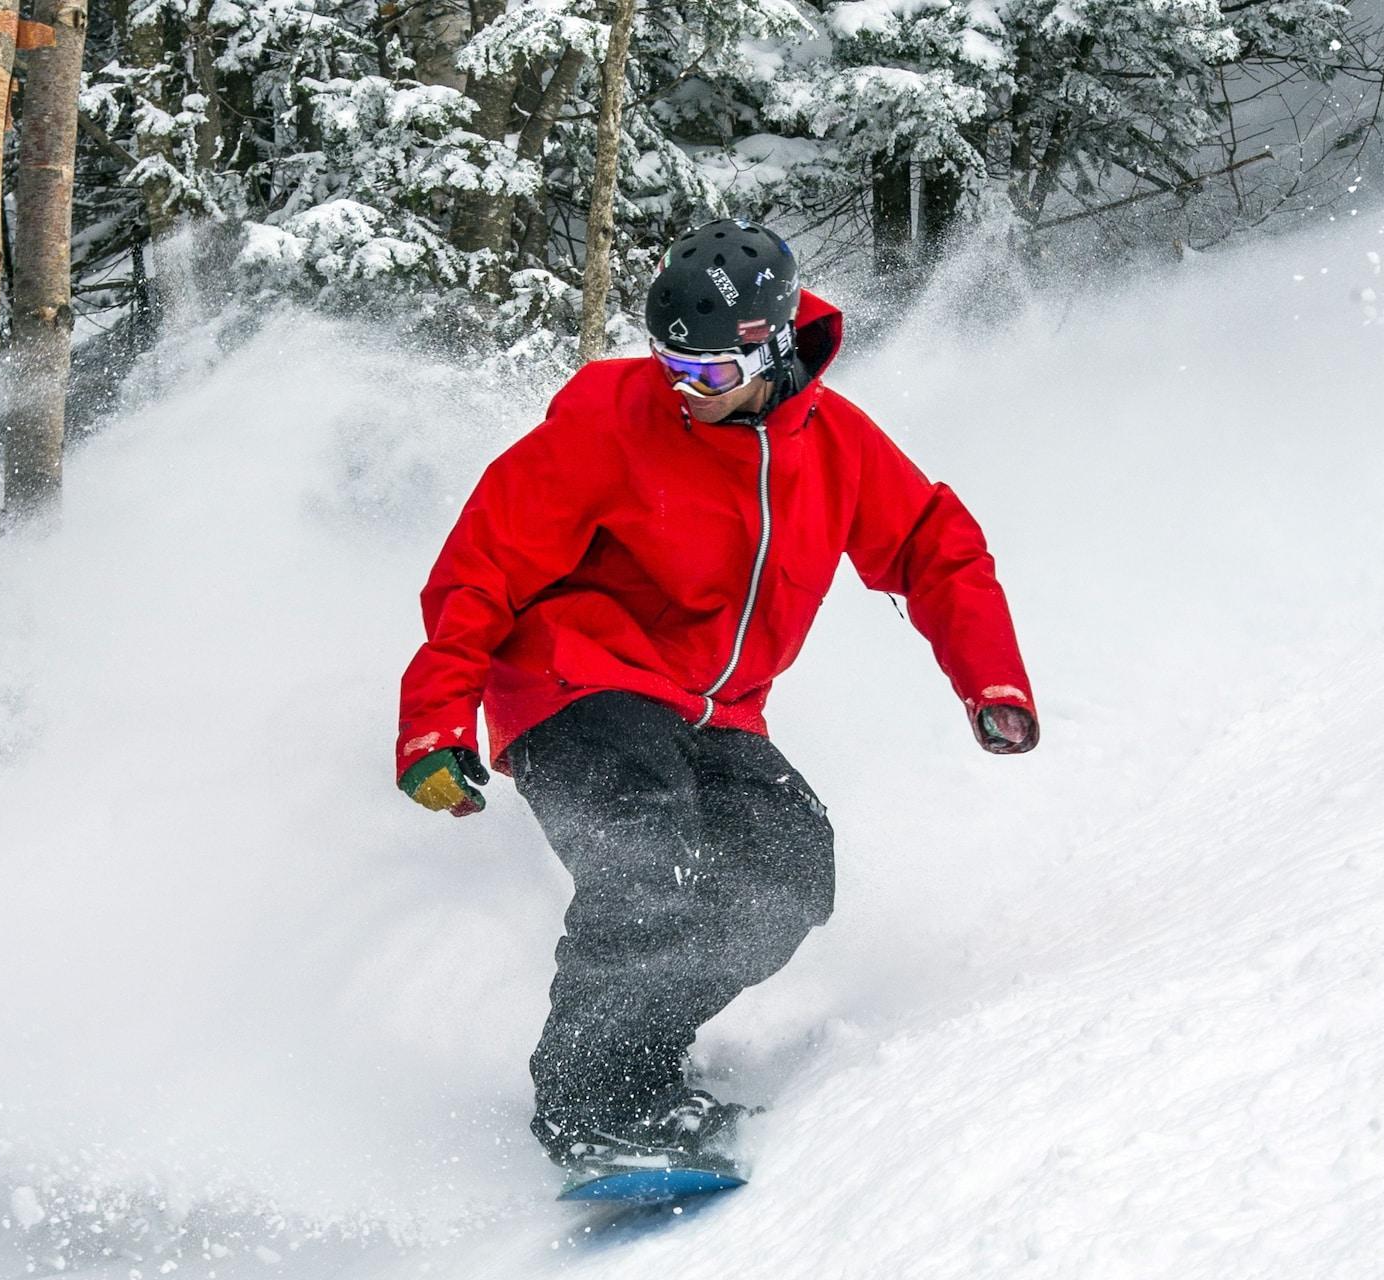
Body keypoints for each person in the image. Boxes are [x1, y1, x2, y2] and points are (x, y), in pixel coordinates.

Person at [394, 218, 1038, 1174]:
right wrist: (437, 722)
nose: (683, 393)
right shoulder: (610, 422)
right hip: (574, 681)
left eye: (706, 376)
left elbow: (935, 548)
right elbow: (480, 568)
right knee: (647, 855)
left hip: (715, 709)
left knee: (788, 874)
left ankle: (642, 1069)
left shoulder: (837, 448)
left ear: (771, 350)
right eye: (669, 367)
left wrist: (990, 677)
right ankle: (592, 1104)